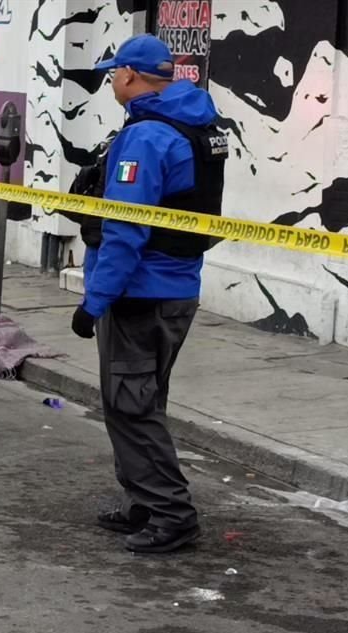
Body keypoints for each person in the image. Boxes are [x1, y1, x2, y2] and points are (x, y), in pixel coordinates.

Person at [69, 34, 228, 554]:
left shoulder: (146, 138)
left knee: (131, 406)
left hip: (140, 293)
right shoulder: (199, 121)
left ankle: (171, 514)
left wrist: (94, 301)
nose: (112, 80)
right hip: (177, 287)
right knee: (138, 399)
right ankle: (143, 500)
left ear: (132, 76)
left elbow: (126, 230)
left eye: (115, 72)